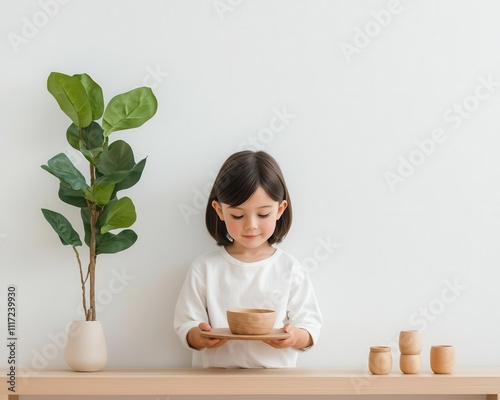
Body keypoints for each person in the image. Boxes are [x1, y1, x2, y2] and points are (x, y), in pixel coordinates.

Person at [174, 150, 322, 368]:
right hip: (214, 383)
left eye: (262, 214)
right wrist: (197, 335)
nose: (250, 224)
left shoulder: (289, 269)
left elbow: (310, 325)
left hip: (274, 384)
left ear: (280, 209)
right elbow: (185, 323)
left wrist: (294, 336)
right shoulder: (204, 268)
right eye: (237, 215)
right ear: (220, 210)